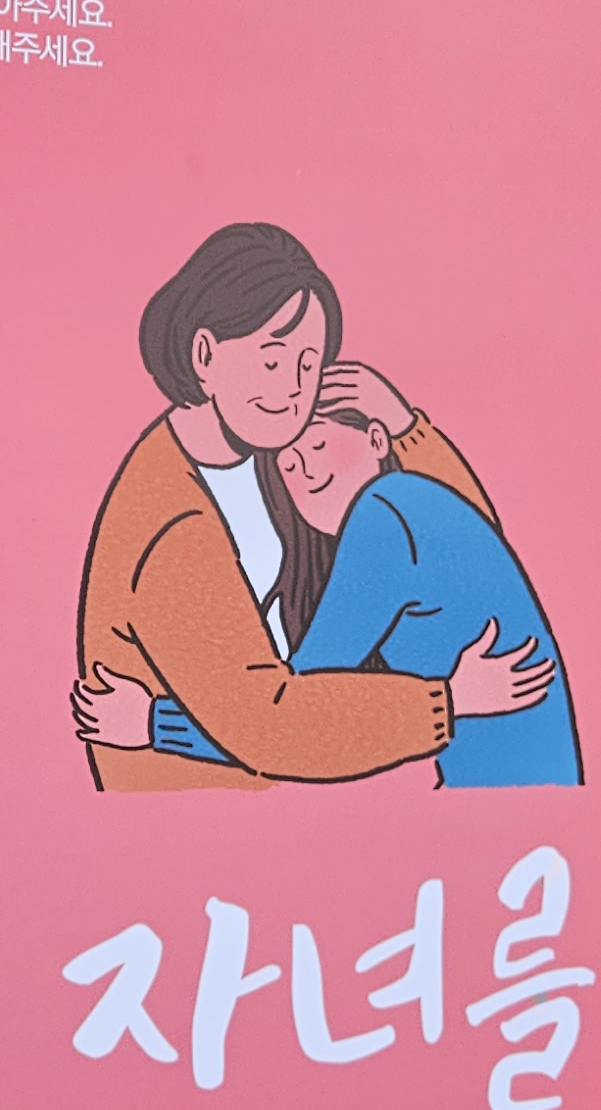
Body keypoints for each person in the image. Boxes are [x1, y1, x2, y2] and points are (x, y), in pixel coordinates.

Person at [70, 222, 555, 789]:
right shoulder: (171, 525)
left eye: (309, 364)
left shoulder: (274, 455)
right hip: (214, 801)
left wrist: (405, 427)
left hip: (301, 775)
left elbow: (463, 553)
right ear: (204, 355)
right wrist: (445, 703)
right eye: (273, 362)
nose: (296, 390)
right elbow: (267, 725)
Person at [94, 401, 579, 786]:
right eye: (287, 464)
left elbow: (286, 718)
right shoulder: (423, 506)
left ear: (376, 440)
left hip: (509, 799)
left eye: (320, 443)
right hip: (518, 788)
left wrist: (153, 723)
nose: (304, 470)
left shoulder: (386, 513)